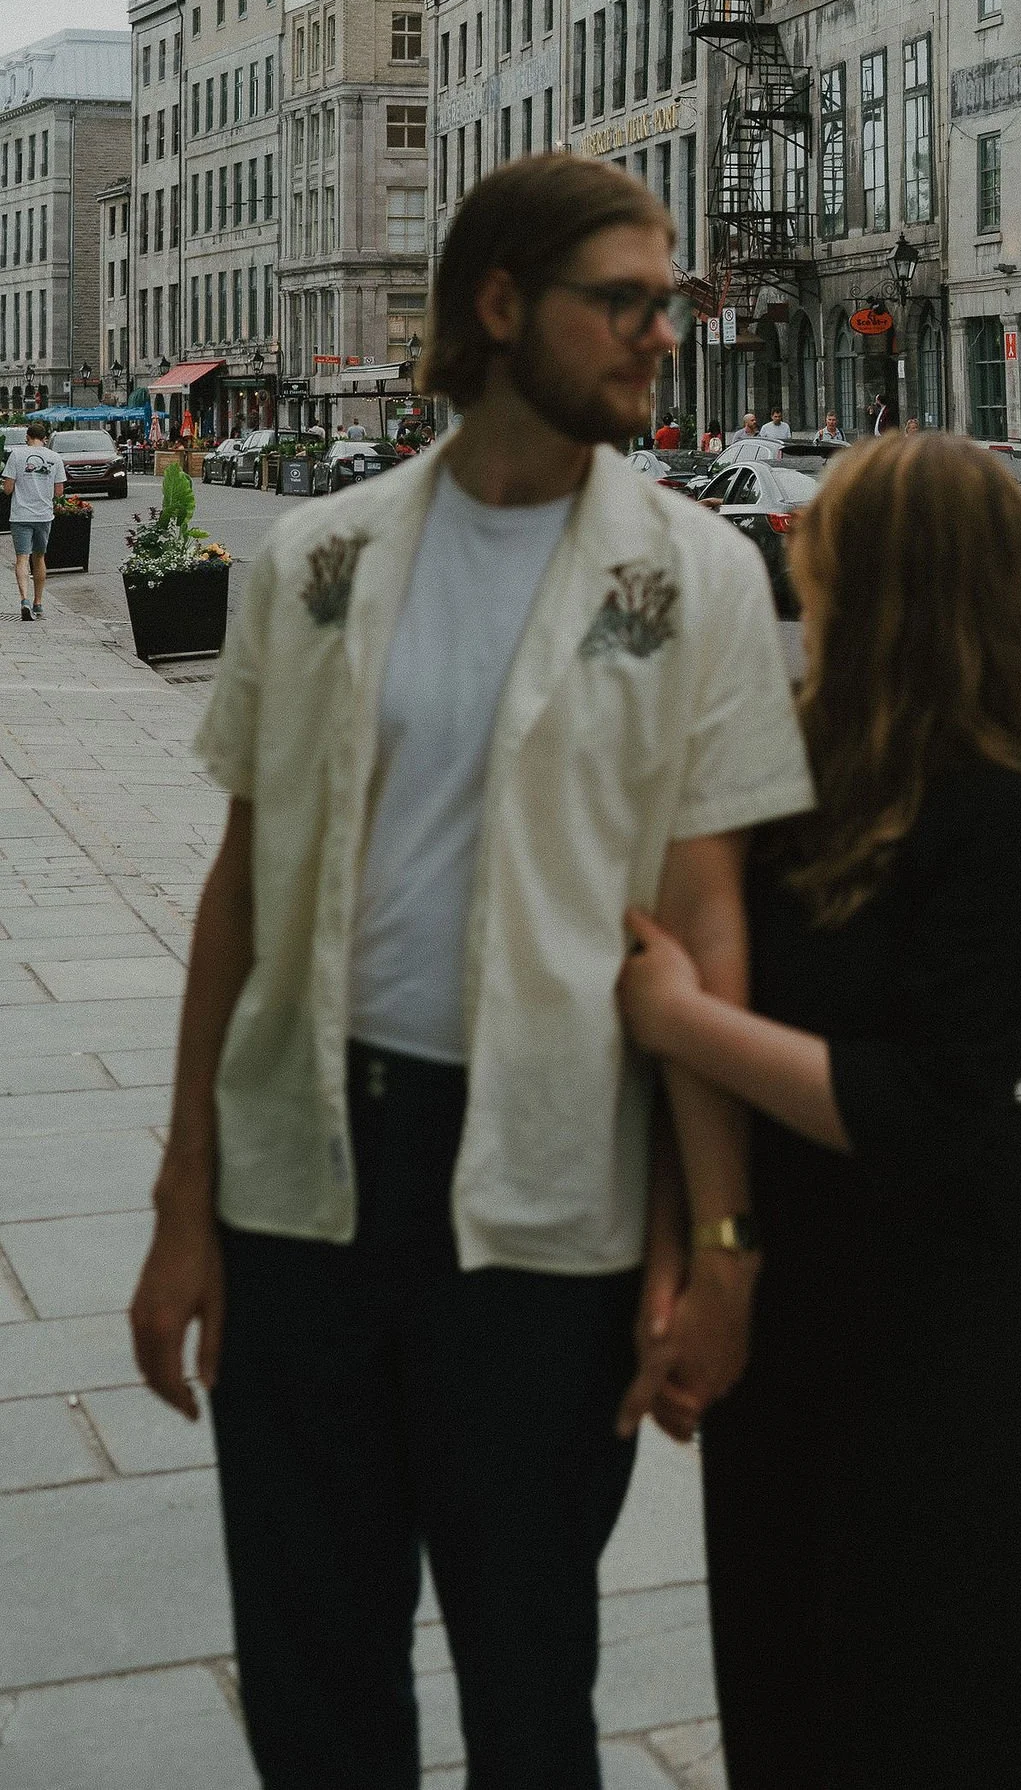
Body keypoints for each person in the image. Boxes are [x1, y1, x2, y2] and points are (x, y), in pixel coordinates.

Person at [127, 155, 813, 1790]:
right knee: (312, 1665)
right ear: (500, 307)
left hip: (544, 1199)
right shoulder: (316, 557)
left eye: (669, 298)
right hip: (307, 1184)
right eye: (623, 300)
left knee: (528, 1667)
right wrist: (180, 1202)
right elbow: (242, 886)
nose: (661, 331)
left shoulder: (697, 577)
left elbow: (705, 926)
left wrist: (718, 1241)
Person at [616, 432, 1021, 1790]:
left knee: (946, 1709)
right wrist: (682, 1259)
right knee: (784, 1694)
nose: (797, 572)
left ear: (898, 586)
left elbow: (934, 1101)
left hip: (944, 1312)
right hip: (789, 1296)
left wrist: (682, 1019)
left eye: (819, 553)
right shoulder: (803, 764)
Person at [4, 417, 66, 622]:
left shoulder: (16, 455)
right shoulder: (55, 458)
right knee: (39, 558)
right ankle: (39, 603)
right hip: (43, 515)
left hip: (21, 514)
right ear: (45, 439)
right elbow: (59, 492)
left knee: (22, 558)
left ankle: (24, 600)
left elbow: (8, 489)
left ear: (27, 438)